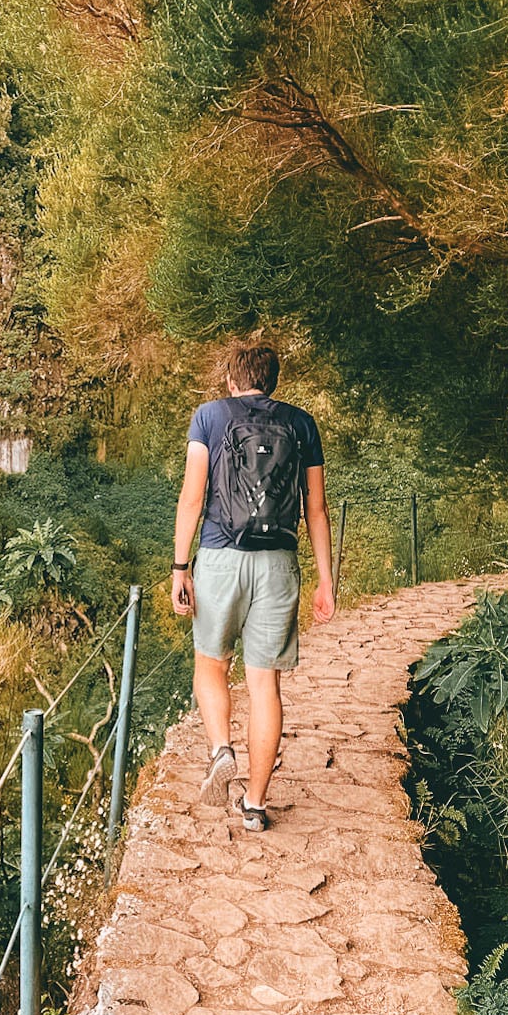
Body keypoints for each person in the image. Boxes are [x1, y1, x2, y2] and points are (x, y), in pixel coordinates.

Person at [171, 343, 335, 830]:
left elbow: (192, 496)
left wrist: (181, 567)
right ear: (273, 382)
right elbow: (317, 509)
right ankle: (256, 805)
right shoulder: (303, 424)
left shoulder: (209, 417)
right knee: (265, 684)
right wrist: (326, 580)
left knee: (211, 664)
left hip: (221, 557)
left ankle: (221, 749)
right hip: (279, 563)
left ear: (230, 381)